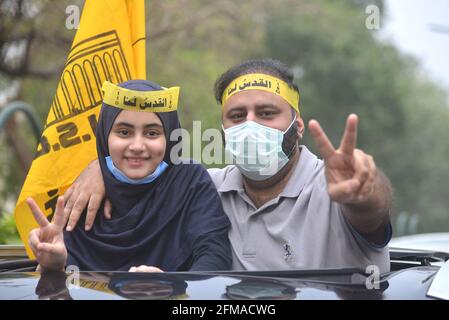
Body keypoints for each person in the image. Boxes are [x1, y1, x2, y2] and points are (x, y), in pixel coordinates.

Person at [63, 59, 393, 273]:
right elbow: (143, 174)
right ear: (222, 129)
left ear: (298, 126)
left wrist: (365, 191)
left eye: (266, 114)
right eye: (237, 116)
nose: (250, 126)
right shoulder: (204, 187)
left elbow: (371, 213)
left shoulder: (333, 186)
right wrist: (101, 167)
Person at [26, 79, 232, 273]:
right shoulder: (80, 196)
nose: (137, 146)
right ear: (105, 136)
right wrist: (53, 266)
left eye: (152, 133)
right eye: (124, 132)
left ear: (170, 137)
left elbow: (214, 255)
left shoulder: (189, 181)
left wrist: (174, 287)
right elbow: (62, 284)